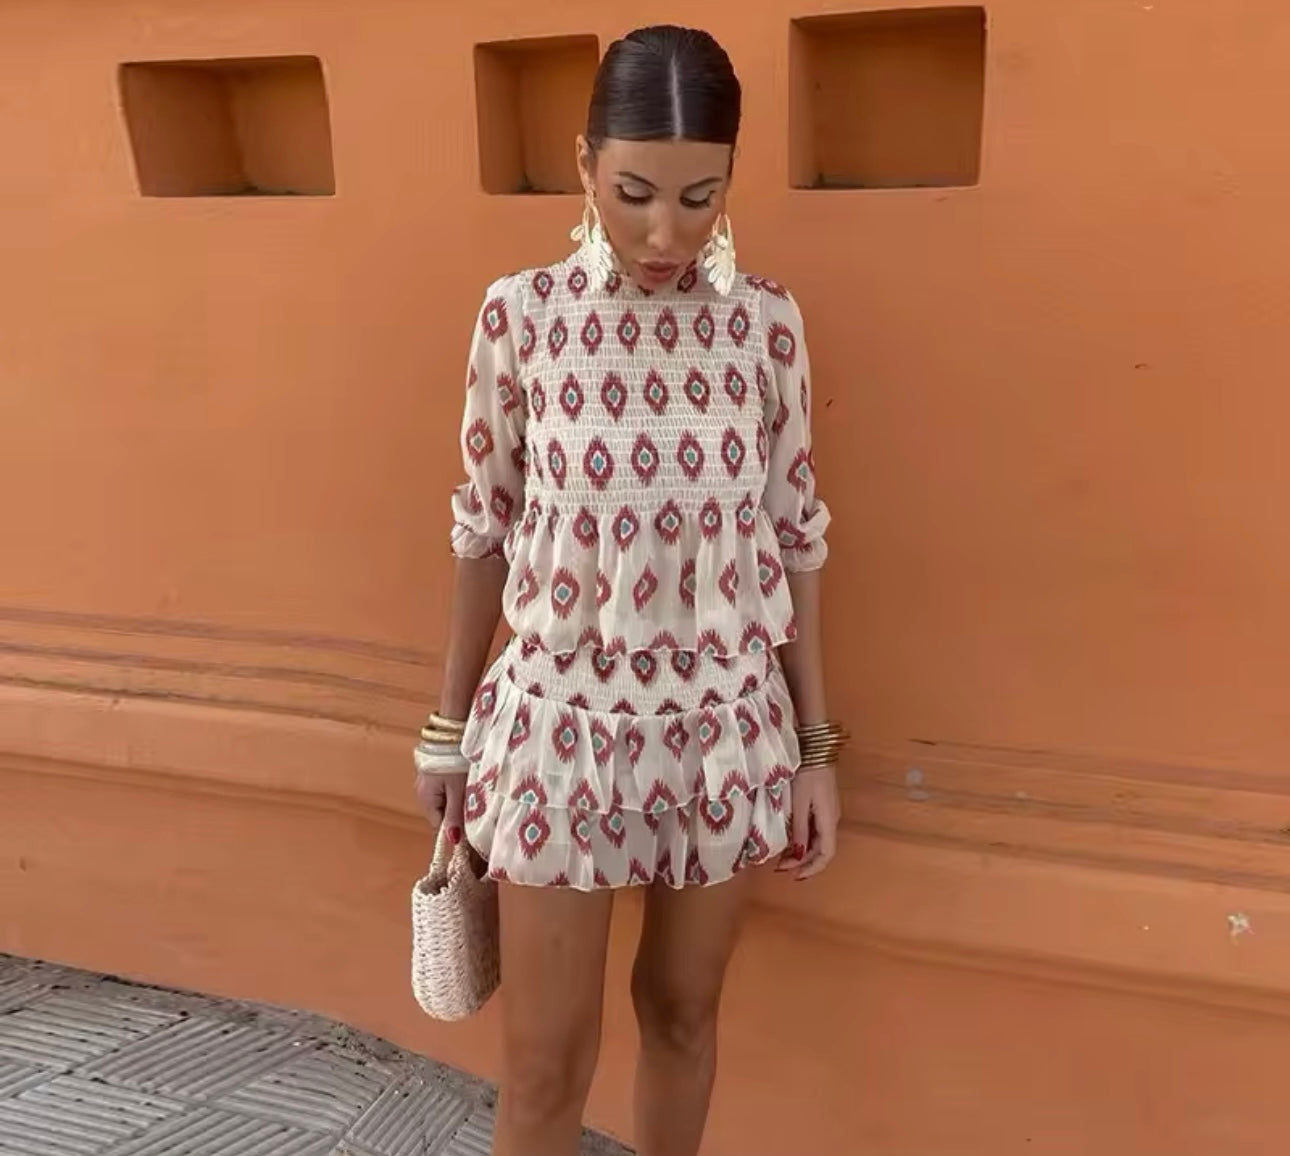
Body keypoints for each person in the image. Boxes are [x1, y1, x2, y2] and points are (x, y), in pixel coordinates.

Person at [416, 25, 843, 1156]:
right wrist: (446, 735)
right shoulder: (521, 317)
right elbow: (483, 528)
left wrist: (815, 751)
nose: (665, 235)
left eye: (701, 198)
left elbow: (796, 536)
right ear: (585, 164)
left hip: (725, 729)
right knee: (545, 1063)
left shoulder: (767, 326)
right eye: (634, 194)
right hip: (561, 732)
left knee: (682, 1014)